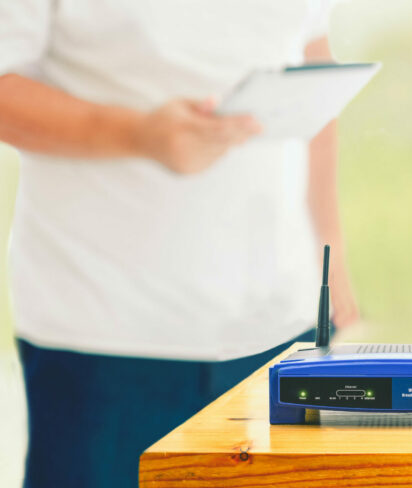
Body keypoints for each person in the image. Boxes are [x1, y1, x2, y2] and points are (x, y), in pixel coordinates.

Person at [0, 1, 359, 487]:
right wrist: (138, 135)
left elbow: (312, 60)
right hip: (106, 335)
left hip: (280, 329)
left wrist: (329, 247)